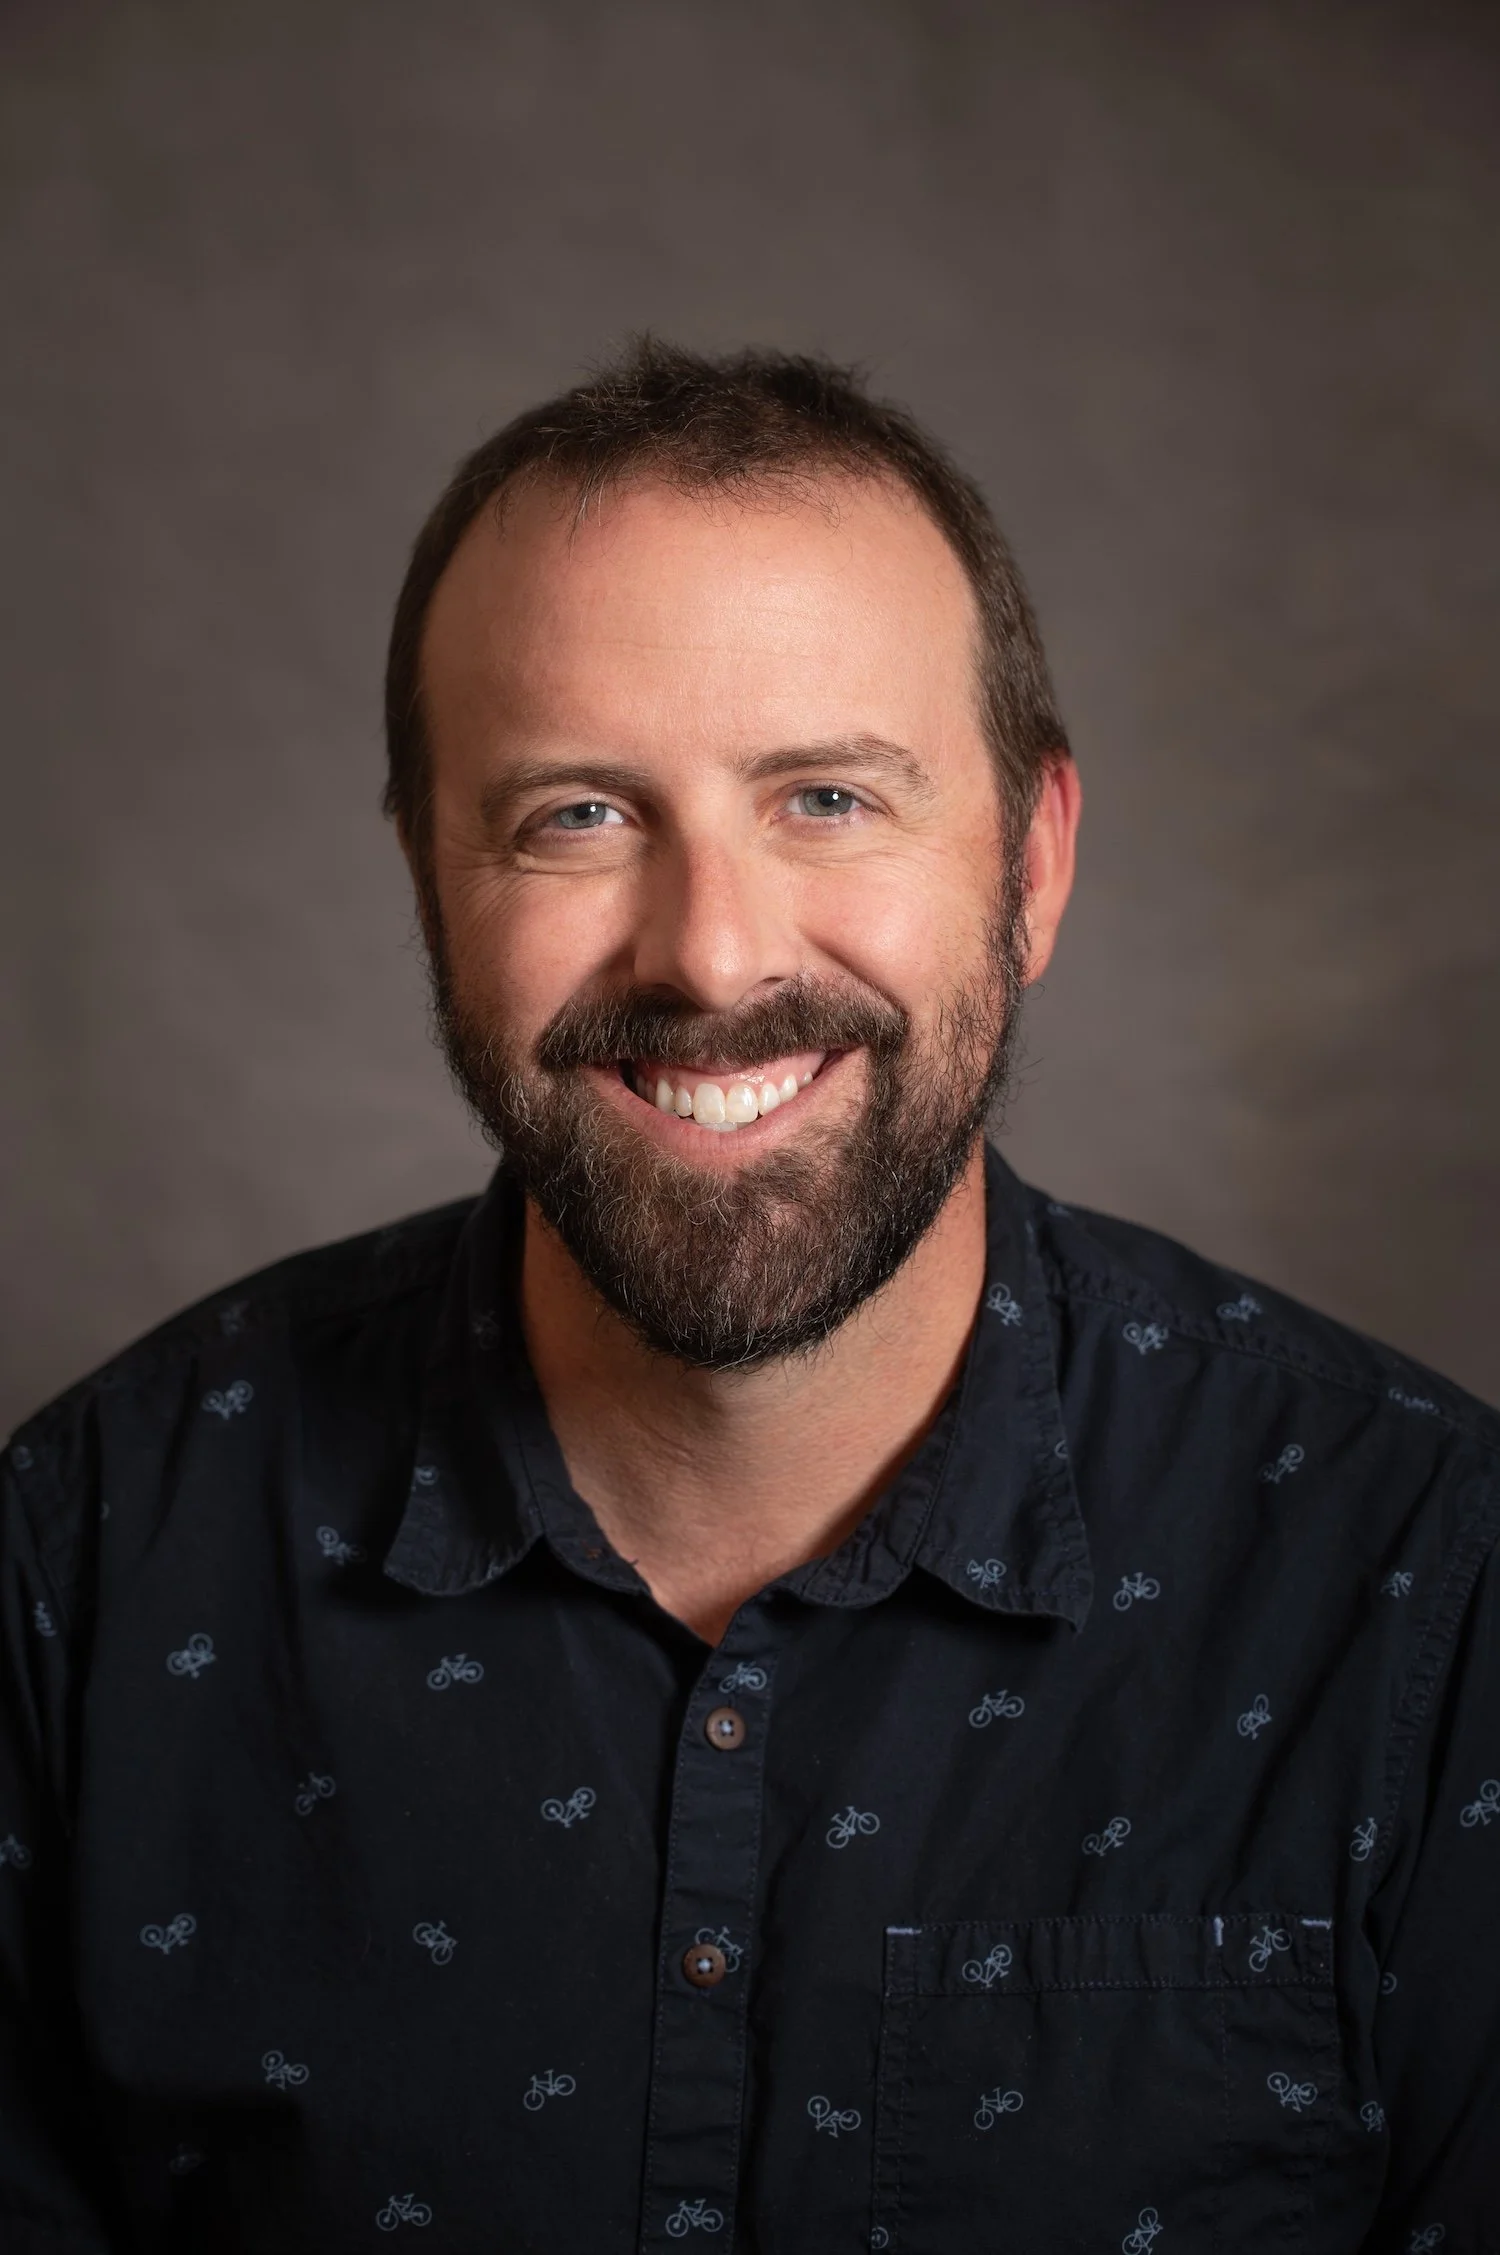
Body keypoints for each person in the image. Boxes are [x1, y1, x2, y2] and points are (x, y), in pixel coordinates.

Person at [1, 341, 1495, 2255]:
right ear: (427, 884)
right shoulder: (87, 1568)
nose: (711, 953)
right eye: (576, 817)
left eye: (827, 798)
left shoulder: (1429, 1596)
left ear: (1029, 865)